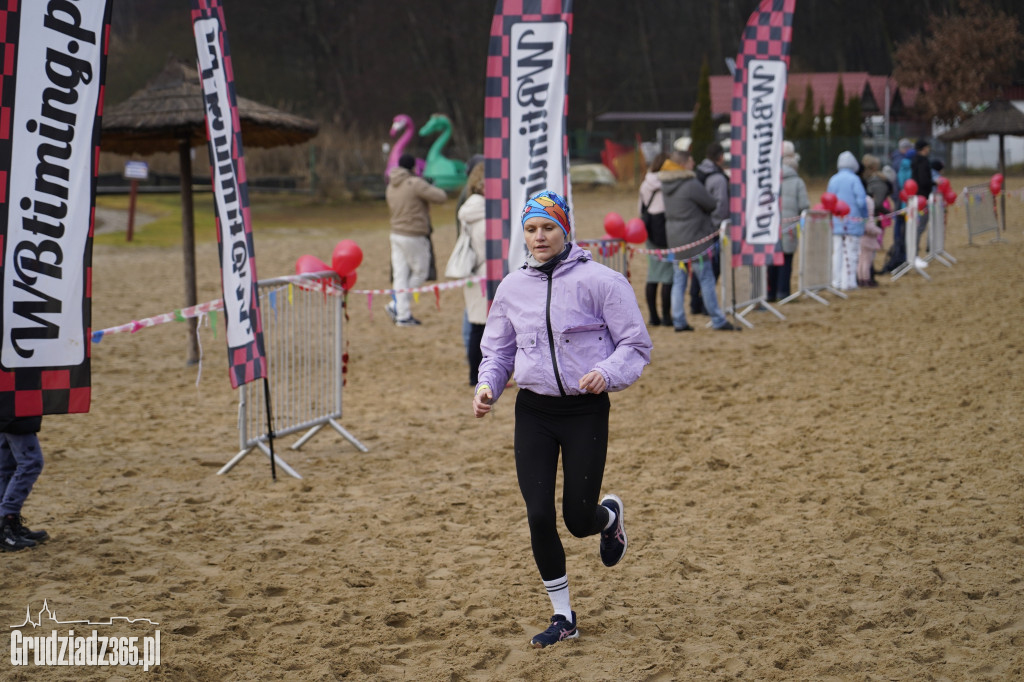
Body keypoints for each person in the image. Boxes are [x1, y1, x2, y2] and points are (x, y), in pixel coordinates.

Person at [472, 190, 652, 649]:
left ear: (565, 229)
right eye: (531, 229)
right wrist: (488, 385)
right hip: (533, 410)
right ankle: (563, 615)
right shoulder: (511, 287)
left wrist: (605, 373)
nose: (538, 237)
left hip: (583, 410)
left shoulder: (603, 282)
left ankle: (607, 517)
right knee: (538, 515)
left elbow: (635, 345)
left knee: (576, 518)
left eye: (547, 227)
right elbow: (498, 350)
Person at [659, 150, 736, 331]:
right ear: (684, 164)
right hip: (696, 240)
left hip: (675, 239)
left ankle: (679, 321)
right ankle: (717, 319)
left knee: (679, 280)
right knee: (706, 279)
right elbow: (710, 203)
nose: (694, 164)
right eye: (692, 160)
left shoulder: (665, 184)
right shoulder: (690, 183)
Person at [385, 153, 447, 326]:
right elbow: (441, 197)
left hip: (396, 234)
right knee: (421, 272)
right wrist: (430, 185)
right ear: (413, 167)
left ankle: (402, 314)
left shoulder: (391, 185)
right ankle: (396, 305)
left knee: (400, 275)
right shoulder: (415, 183)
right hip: (413, 234)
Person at [456, 163, 487, 385]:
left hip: (476, 274)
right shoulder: (483, 211)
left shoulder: (473, 208)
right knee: (480, 328)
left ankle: (477, 375)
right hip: (482, 274)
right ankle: (476, 376)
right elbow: (485, 247)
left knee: (478, 326)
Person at [690, 142, 728, 315]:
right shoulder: (719, 178)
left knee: (700, 265)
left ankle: (694, 301)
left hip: (698, 227)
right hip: (713, 229)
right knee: (712, 269)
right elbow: (721, 204)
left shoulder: (698, 174)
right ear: (720, 156)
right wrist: (718, 225)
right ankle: (707, 304)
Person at [0, 416, 49, 551]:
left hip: (8, 406)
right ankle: (7, 522)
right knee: (31, 463)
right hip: (14, 407)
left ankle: (7, 523)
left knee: (6, 464)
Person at [768, 141, 809, 301]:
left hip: (770, 227)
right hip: (789, 228)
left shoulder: (770, 178)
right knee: (786, 260)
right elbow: (804, 205)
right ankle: (783, 292)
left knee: (771, 261)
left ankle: (770, 293)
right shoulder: (798, 182)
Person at [638, 153, 672, 326]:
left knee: (652, 275)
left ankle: (653, 316)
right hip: (666, 231)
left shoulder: (646, 183)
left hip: (650, 229)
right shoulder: (670, 184)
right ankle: (667, 317)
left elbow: (641, 207)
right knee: (667, 276)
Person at [826, 151, 868, 291]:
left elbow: (828, 200)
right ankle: (848, 282)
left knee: (837, 252)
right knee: (851, 252)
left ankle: (836, 281)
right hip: (853, 222)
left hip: (837, 222)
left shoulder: (833, 179)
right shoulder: (855, 180)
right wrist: (864, 217)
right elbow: (861, 201)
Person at [861, 154, 892, 287]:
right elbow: (878, 204)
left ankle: (863, 276)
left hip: (861, 219)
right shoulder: (878, 182)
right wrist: (889, 213)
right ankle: (868, 276)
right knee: (869, 253)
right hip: (871, 220)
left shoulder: (863, 180)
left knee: (862, 253)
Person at [911, 139, 934, 255]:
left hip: (918, 197)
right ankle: (914, 253)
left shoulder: (915, 161)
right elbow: (924, 180)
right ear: (924, 148)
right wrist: (933, 183)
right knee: (920, 226)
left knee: (918, 226)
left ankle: (914, 252)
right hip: (922, 197)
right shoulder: (923, 162)